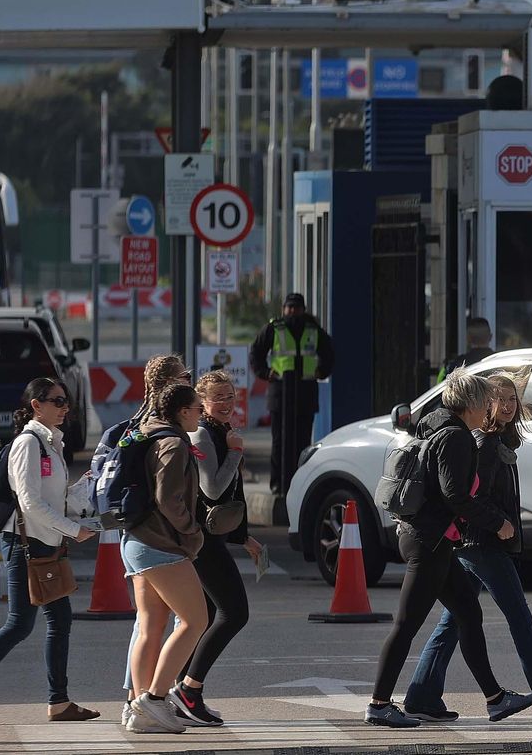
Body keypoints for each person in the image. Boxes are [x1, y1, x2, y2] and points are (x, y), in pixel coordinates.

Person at [405, 373, 532, 721]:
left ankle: (422, 696)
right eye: (498, 399)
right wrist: (500, 524)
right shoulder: (486, 444)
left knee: (454, 621)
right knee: (519, 619)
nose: (507, 406)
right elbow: (470, 497)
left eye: (511, 399)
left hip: (475, 543)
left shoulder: (499, 440)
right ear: (484, 404)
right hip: (482, 544)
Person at [364, 370, 532, 728]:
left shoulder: (440, 428)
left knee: (468, 613)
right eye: (486, 400)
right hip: (428, 542)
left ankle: (495, 699)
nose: (490, 407)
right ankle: (379, 704)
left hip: (434, 540)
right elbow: (455, 495)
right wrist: (498, 522)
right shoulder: (456, 437)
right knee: (406, 624)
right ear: (472, 403)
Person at [0, 378, 100, 725]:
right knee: (19, 623)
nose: (65, 408)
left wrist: (82, 488)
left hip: (45, 541)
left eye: (66, 402)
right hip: (25, 542)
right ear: (36, 405)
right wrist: (73, 530)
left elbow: (51, 498)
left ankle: (59, 702)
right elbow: (29, 503)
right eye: (57, 401)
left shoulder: (51, 443)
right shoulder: (28, 443)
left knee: (59, 620)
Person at [169, 371, 264, 726]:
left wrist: (243, 537)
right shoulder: (203, 434)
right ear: (202, 401)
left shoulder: (221, 430)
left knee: (204, 618)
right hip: (201, 542)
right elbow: (213, 489)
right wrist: (235, 453)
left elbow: (230, 497)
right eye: (218, 397)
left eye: (230, 396)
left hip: (212, 537)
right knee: (234, 613)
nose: (226, 403)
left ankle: (178, 691)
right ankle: (188, 690)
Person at [122, 384, 210, 735]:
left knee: (150, 627)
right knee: (195, 620)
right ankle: (155, 699)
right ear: (183, 411)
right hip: (159, 544)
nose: (201, 413)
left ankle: (138, 706)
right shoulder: (173, 443)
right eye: (198, 408)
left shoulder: (147, 433)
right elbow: (169, 500)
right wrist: (193, 530)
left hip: (136, 541)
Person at [249, 292, 335, 495]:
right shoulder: (274, 328)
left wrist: (322, 371)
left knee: (302, 443)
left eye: (297, 308)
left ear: (303, 310)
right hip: (280, 393)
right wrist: (265, 372)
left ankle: (301, 485)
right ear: (284, 309)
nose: (293, 311)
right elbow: (255, 353)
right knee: (280, 442)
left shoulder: (313, 330)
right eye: (289, 307)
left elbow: (329, 354)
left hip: (305, 393)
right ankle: (278, 486)